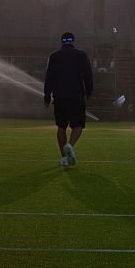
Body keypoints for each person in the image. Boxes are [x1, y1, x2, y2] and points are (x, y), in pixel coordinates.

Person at [44, 32, 93, 167]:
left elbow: (49, 78)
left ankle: (64, 158)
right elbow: (88, 74)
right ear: (73, 41)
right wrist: (89, 91)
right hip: (76, 95)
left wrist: (47, 96)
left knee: (61, 126)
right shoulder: (81, 55)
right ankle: (70, 145)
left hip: (59, 96)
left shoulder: (54, 56)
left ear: (61, 42)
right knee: (78, 125)